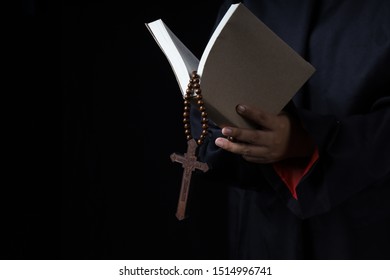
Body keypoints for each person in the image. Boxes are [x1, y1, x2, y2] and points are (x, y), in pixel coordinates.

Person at [189, 0, 390, 259]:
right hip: (265, 231)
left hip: (364, 229)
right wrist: (236, 132)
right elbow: (205, 119)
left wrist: (308, 141)